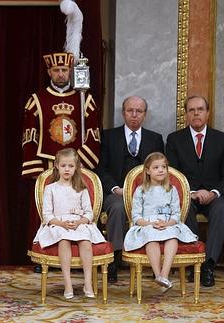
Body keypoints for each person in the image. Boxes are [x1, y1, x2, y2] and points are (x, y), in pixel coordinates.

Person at [21, 52, 100, 272]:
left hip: (76, 165)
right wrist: (36, 169)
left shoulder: (85, 99)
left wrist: (80, 163)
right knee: (46, 210)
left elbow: (93, 135)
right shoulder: (36, 100)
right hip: (46, 164)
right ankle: (43, 256)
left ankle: (76, 258)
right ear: (49, 72)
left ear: (71, 72)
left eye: (65, 70)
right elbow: (30, 136)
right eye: (56, 70)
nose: (61, 74)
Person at [96, 96, 164, 283]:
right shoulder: (108, 136)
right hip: (117, 192)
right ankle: (113, 260)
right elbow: (101, 169)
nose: (134, 115)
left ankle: (154, 261)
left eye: (139, 111)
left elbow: (160, 169)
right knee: (117, 208)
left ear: (145, 115)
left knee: (156, 209)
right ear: (123, 113)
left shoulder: (155, 138)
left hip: (147, 193)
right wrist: (116, 188)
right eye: (130, 110)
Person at [166, 95, 224, 287]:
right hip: (187, 194)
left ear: (207, 113)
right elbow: (171, 174)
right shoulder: (174, 139)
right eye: (191, 110)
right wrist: (188, 192)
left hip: (213, 196)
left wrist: (214, 192)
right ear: (186, 114)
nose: (196, 113)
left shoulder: (221, 139)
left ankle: (208, 264)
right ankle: (193, 261)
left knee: (221, 209)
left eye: (200, 109)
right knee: (185, 206)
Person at [33, 148, 105, 299]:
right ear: (57, 166)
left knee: (85, 240)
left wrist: (80, 221)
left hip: (78, 223)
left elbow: (89, 213)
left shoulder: (81, 188)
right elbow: (47, 215)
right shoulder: (50, 188)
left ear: (76, 167)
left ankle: (87, 282)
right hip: (58, 224)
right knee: (63, 240)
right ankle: (68, 283)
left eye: (70, 166)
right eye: (63, 165)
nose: (67, 169)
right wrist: (61, 224)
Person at [124, 152, 197, 289]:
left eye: (164, 167)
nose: (161, 170)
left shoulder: (171, 190)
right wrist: (149, 224)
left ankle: (164, 275)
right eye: (156, 167)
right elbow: (136, 217)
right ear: (147, 171)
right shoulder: (141, 191)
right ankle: (158, 275)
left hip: (167, 224)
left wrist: (167, 223)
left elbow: (176, 215)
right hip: (147, 225)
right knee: (151, 237)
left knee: (173, 237)